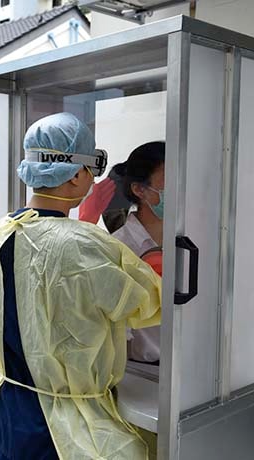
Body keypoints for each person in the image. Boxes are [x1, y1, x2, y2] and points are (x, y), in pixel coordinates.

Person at [0, 113, 162, 460]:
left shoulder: (4, 230)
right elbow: (147, 303)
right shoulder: (85, 244)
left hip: (12, 408)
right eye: (92, 168)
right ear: (75, 174)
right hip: (65, 428)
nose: (94, 178)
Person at [112, 141, 165, 364]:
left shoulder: (191, 242)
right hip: (141, 371)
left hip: (190, 371)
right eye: (170, 181)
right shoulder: (118, 248)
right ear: (139, 189)